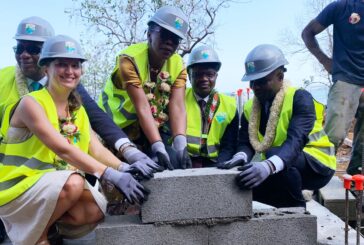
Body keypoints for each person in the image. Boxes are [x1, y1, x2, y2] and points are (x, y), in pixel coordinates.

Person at [0, 35, 150, 245]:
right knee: (74, 183)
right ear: (46, 69)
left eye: (75, 65)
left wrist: (125, 166)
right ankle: (34, 238)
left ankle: (46, 228)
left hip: (47, 187)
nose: (70, 71)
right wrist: (108, 174)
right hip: (15, 188)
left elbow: (94, 148)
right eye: (61, 64)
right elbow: (64, 150)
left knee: (93, 209)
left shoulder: (77, 109)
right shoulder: (30, 104)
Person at [0, 16, 159, 174]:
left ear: (48, 54)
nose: (24, 55)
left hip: (58, 171)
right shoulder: (3, 79)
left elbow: (97, 119)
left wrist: (129, 150)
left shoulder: (68, 87)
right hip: (11, 172)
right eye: (20, 48)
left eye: (34, 49)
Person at [218, 44, 336, 208]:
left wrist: (268, 166)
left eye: (262, 81)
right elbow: (246, 142)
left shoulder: (300, 98)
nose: (255, 87)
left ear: (280, 76)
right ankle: (277, 211)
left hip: (318, 164)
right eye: (252, 82)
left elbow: (296, 141)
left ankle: (297, 215)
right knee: (248, 175)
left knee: (273, 159)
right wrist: (241, 156)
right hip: (283, 161)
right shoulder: (250, 107)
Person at [99, 6, 192, 170]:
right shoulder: (129, 59)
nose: (170, 42)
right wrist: (158, 147)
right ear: (149, 34)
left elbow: (177, 106)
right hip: (115, 128)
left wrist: (180, 145)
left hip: (147, 128)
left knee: (172, 162)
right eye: (165, 35)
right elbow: (142, 105)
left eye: (176, 39)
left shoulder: (178, 64)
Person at [301, 0, 364, 175]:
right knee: (333, 136)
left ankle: (355, 184)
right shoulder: (341, 7)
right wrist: (324, 60)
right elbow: (307, 33)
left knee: (363, 145)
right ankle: (312, 179)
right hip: (346, 79)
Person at [184, 45, 238, 168]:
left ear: (216, 76)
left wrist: (218, 168)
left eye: (209, 74)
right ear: (189, 76)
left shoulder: (230, 105)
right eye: (198, 74)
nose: (204, 79)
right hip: (183, 161)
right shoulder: (177, 99)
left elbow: (229, 145)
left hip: (215, 163)